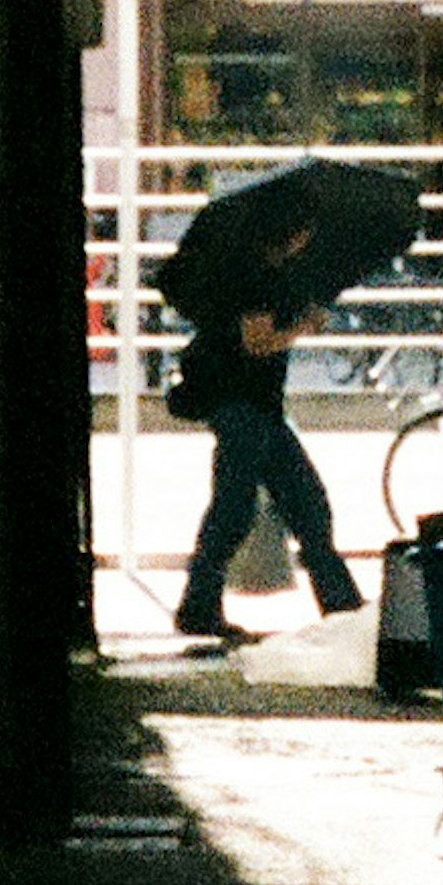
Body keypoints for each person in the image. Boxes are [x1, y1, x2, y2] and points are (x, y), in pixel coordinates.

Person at [168, 206, 366, 643]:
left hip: (258, 409)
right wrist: (301, 329)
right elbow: (256, 343)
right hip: (241, 406)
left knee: (298, 503)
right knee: (247, 508)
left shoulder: (274, 274)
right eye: (305, 233)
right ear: (288, 234)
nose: (308, 242)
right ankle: (201, 606)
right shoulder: (251, 276)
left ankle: (341, 604)